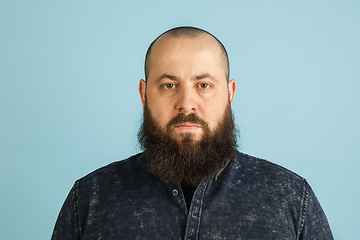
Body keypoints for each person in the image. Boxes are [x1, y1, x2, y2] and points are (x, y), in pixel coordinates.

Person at [52, 26, 333, 239]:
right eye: (169, 85)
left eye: (204, 85)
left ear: (229, 94)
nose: (186, 103)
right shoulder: (90, 198)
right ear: (143, 94)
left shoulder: (293, 198)